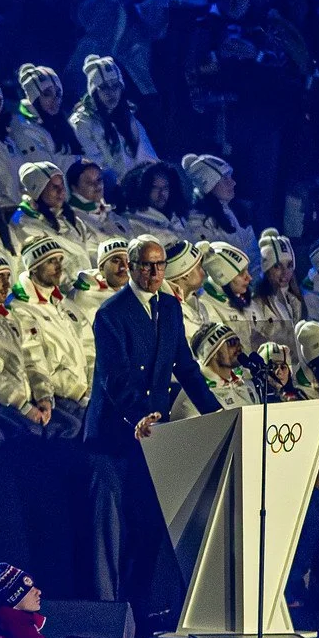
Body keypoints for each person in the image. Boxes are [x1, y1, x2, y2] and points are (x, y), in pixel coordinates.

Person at [85, 235, 221, 613]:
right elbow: (115, 379)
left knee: (147, 527)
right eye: (147, 265)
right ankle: (111, 615)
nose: (155, 272)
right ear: (130, 266)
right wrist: (139, 414)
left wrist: (218, 411)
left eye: (160, 265)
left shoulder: (171, 308)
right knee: (113, 533)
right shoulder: (111, 314)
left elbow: (186, 368)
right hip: (116, 438)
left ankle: (141, 609)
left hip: (155, 436)